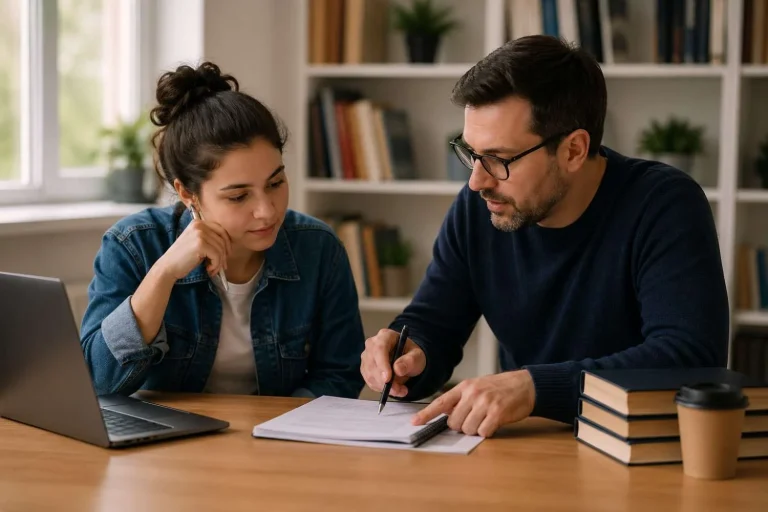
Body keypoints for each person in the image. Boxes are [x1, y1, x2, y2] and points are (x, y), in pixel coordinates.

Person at [360, 35, 730, 437]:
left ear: (573, 150)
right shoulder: (481, 207)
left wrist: (535, 387)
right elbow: (434, 321)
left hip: (643, 448)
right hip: (527, 446)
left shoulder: (663, 204)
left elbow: (690, 358)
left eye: (499, 159)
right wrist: (406, 355)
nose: (476, 181)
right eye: (471, 153)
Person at [80, 62, 365, 399]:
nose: (267, 210)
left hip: (277, 443)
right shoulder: (133, 245)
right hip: (166, 444)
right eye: (239, 195)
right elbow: (98, 382)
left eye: (276, 182)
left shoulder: (319, 249)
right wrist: (163, 274)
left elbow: (340, 376)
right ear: (187, 193)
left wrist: (272, 428)